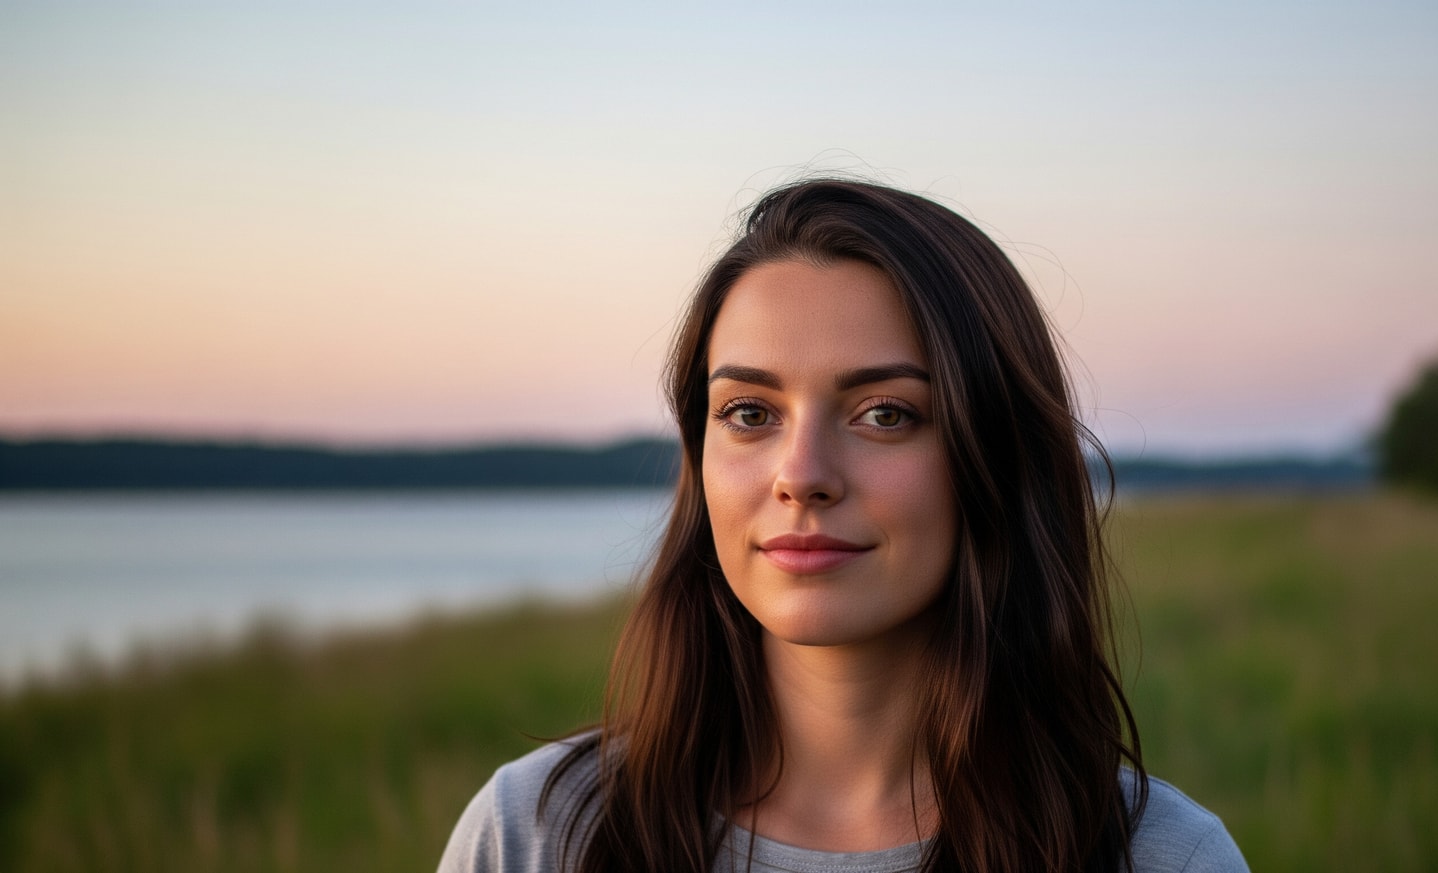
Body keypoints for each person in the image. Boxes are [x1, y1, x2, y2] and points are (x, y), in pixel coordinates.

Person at [438, 179, 1248, 872]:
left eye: (885, 413)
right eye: (750, 412)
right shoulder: (539, 834)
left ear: (995, 455)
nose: (802, 475)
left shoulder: (1158, 857)